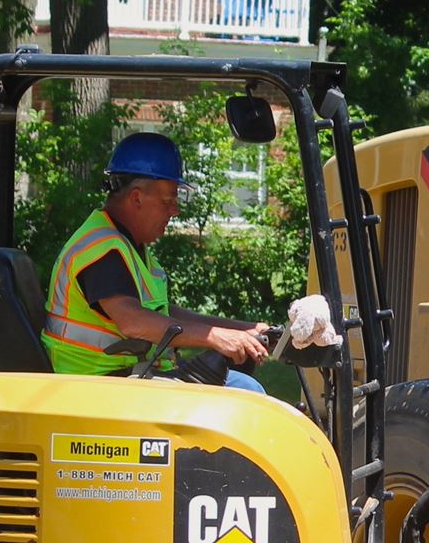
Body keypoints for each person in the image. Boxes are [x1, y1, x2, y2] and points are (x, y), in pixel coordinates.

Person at [43, 132, 272, 390]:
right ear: (137, 197)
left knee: (242, 388)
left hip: (125, 380)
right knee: (244, 390)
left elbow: (162, 314)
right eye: (168, 200)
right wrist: (216, 338)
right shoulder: (102, 250)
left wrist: (242, 330)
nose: (175, 210)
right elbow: (134, 322)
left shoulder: (127, 245)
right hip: (96, 387)